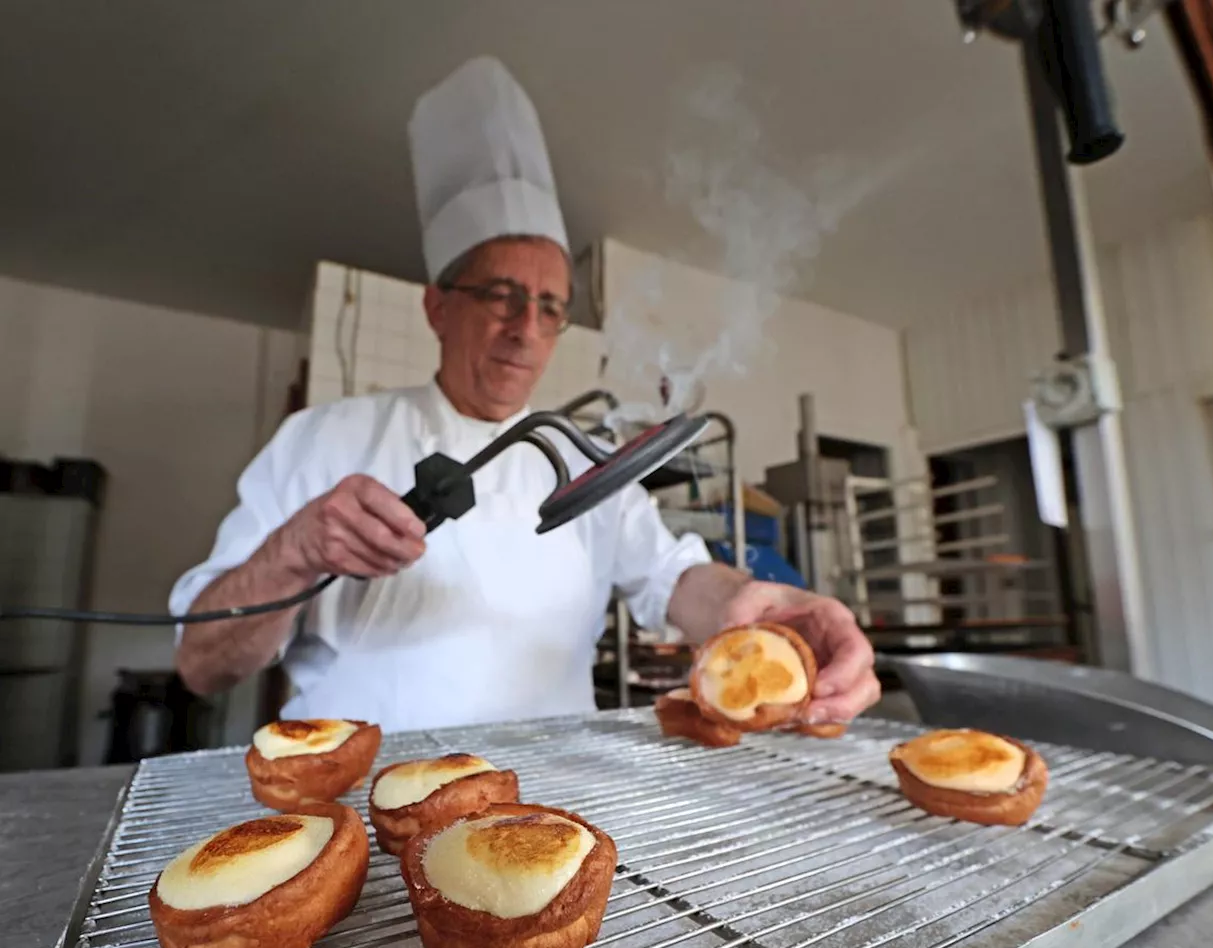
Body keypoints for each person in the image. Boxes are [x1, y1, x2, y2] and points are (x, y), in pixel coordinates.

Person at [169, 55, 880, 732]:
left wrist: (754, 603)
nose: (525, 331)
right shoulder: (323, 439)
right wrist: (296, 549)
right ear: (437, 308)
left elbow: (675, 579)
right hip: (359, 802)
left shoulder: (591, 468)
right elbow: (202, 666)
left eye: (549, 307)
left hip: (545, 816)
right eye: (500, 297)